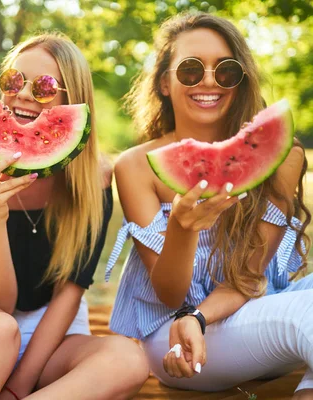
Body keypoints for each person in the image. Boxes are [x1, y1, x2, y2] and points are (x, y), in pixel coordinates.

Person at [0, 33, 150, 400]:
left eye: (46, 87)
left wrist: (18, 389)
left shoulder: (94, 177)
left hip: (55, 336)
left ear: (73, 101)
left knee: (128, 359)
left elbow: (71, 291)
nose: (25, 94)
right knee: (0, 327)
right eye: (13, 81)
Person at [106, 12, 313, 398]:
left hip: (246, 311)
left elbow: (250, 276)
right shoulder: (138, 166)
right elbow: (170, 294)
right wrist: (184, 229)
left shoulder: (283, 157)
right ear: (164, 82)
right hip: (173, 336)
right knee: (307, 315)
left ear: (241, 80)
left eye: (226, 70)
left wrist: (202, 316)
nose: (208, 81)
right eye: (189, 69)